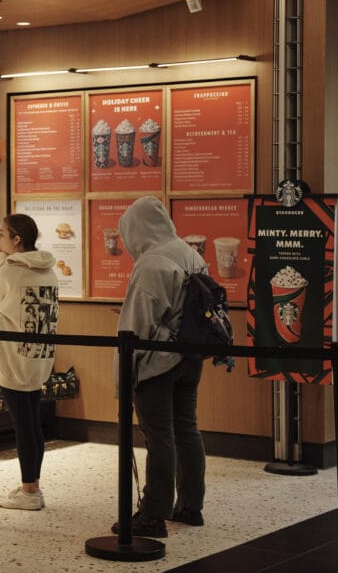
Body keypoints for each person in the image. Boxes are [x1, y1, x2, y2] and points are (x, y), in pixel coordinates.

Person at [112, 195, 208, 538]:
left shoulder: (152, 264)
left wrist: (122, 375)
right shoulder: (190, 253)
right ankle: (190, 505)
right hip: (190, 357)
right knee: (187, 430)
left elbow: (136, 326)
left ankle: (152, 515)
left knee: (159, 437)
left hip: (157, 363)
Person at [0, 214, 59, 511]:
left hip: (13, 353)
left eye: (1, 234)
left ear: (17, 240)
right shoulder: (48, 270)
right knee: (32, 420)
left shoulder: (11, 270)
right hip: (38, 353)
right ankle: (33, 486)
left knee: (21, 423)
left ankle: (29, 492)